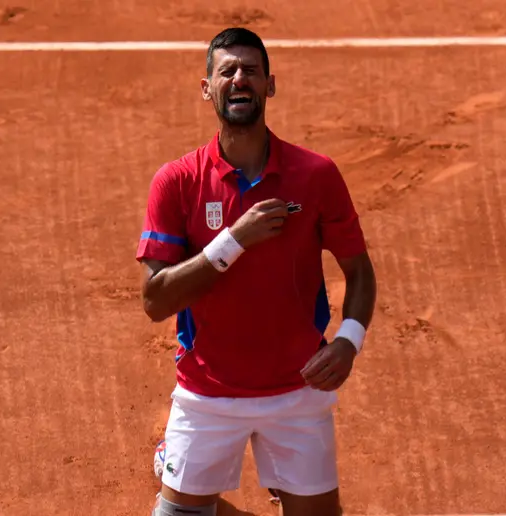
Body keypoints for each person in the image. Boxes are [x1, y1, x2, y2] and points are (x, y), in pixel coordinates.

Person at [136, 26, 377, 516]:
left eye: (250, 70)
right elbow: (155, 301)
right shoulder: (177, 182)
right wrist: (234, 240)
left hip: (299, 389)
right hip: (207, 391)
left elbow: (359, 270)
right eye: (227, 71)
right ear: (207, 89)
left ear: (270, 85)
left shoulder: (316, 175)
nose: (239, 79)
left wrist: (348, 342)